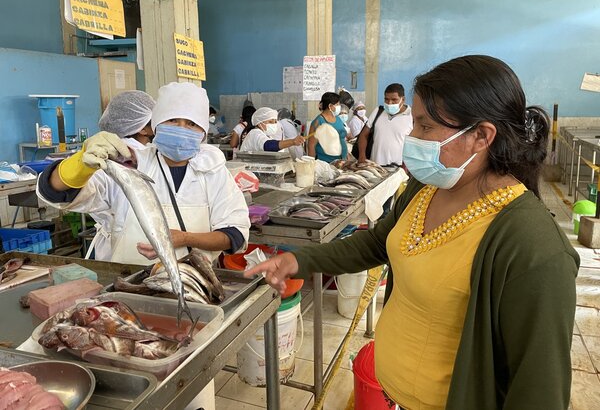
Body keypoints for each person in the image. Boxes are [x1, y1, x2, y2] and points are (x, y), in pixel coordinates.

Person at [246, 55, 579, 410]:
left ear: (481, 136)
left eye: (425, 126)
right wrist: (299, 260)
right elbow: (377, 244)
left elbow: (538, 388)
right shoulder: (425, 188)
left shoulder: (532, 247)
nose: (412, 137)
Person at [37, 82, 250, 265]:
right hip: (128, 280)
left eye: (192, 123)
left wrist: (185, 238)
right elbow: (55, 192)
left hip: (195, 280)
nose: (181, 128)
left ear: (203, 131)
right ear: (155, 124)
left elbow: (235, 234)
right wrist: (79, 165)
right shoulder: (128, 163)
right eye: (172, 120)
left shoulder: (212, 170)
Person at [357, 83, 413, 166]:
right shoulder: (378, 112)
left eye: (394, 100)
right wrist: (362, 155)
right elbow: (364, 134)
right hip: (375, 166)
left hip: (398, 167)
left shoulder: (412, 116)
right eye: (386, 99)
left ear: (403, 99)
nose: (389, 103)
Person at [239, 107, 304, 152]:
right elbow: (268, 146)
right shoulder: (255, 133)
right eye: (270, 122)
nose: (274, 124)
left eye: (275, 122)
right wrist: (292, 142)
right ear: (260, 123)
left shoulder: (267, 135)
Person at [307, 92, 348, 162]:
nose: (339, 107)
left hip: (342, 161)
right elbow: (311, 146)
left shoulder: (338, 119)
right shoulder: (318, 122)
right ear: (330, 106)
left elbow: (342, 137)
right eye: (337, 104)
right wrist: (312, 164)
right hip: (325, 163)